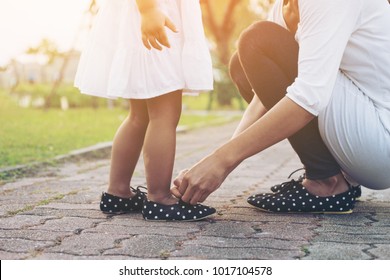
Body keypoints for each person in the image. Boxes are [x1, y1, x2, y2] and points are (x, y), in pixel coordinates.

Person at [171, 0, 390, 214]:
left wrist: (221, 161)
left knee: (259, 39)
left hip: (381, 141)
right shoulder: (285, 6)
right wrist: (217, 164)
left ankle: (326, 182)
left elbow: (307, 98)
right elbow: (267, 95)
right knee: (242, 63)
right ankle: (336, 176)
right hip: (364, 140)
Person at [74, 0, 216, 221]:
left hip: (150, 15)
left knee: (139, 117)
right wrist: (148, 9)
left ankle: (118, 193)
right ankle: (159, 198)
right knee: (164, 116)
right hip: (157, 14)